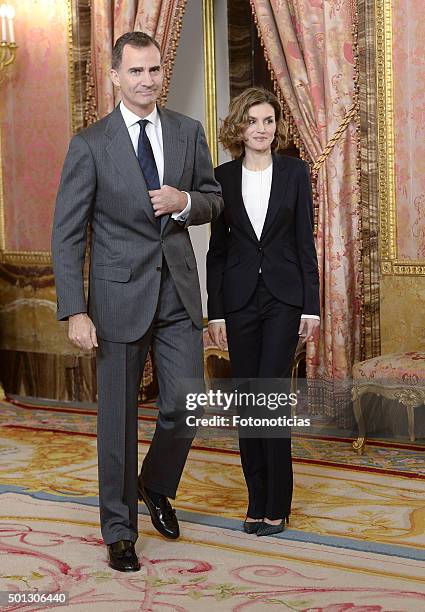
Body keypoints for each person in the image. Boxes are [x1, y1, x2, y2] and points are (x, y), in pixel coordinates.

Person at [52, 31, 223, 572]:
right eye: (136, 72)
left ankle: (155, 483)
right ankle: (119, 529)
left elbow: (214, 200)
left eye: (154, 71)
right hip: (115, 297)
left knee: (185, 404)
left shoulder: (187, 131)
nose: (147, 81)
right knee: (118, 422)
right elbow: (67, 234)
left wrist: (185, 201)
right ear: (116, 77)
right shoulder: (90, 144)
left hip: (176, 290)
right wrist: (74, 309)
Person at [207, 87, 319, 537]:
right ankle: (255, 502)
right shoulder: (221, 177)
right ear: (240, 126)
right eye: (253, 121)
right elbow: (216, 252)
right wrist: (215, 314)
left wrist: (311, 306)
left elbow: (303, 244)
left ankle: (278, 504)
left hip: (284, 298)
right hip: (237, 302)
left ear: (277, 127)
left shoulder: (295, 173)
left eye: (268, 121)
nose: (261, 129)